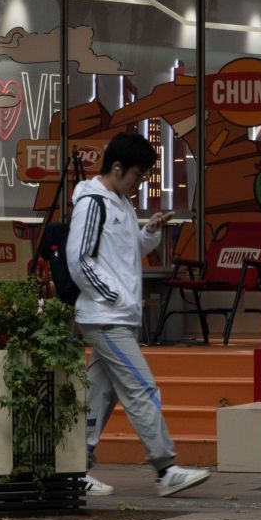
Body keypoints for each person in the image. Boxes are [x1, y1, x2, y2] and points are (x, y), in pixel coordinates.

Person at [69, 132, 212, 499]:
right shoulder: (93, 203)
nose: (137, 184)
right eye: (136, 175)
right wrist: (111, 295)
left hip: (113, 315)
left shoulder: (118, 203)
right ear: (117, 168)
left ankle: (73, 467)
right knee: (141, 386)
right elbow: (79, 259)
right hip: (107, 316)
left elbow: (124, 249)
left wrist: (148, 232)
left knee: (100, 393)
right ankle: (165, 469)